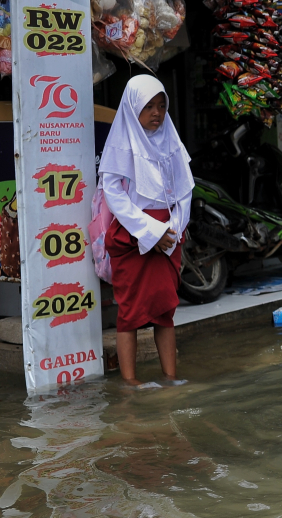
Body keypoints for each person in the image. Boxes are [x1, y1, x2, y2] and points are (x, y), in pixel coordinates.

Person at [98, 75, 194, 386]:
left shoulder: (172, 143)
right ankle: (131, 384)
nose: (157, 112)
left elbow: (184, 190)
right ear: (132, 107)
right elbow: (114, 193)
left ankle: (171, 376)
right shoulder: (121, 144)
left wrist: (173, 229)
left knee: (165, 310)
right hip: (132, 235)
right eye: (148, 106)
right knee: (130, 314)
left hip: (168, 235)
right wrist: (149, 232)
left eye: (162, 105)